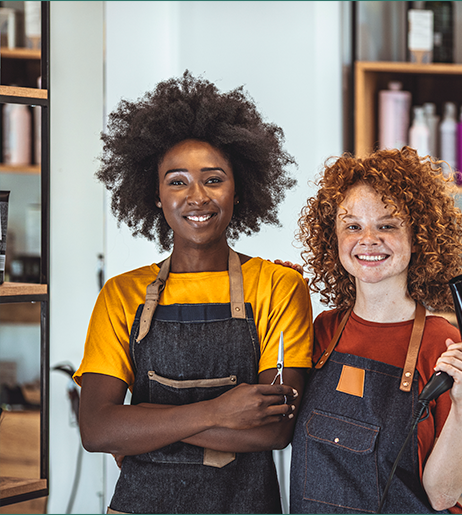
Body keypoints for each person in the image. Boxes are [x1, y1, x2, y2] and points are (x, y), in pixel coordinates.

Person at [73, 72, 313, 514]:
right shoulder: (121, 294)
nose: (196, 196)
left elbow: (274, 431)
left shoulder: (280, 286)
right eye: (177, 180)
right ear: (157, 195)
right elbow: (96, 430)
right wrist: (219, 412)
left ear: (239, 190)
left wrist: (143, 421)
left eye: (214, 179)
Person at [289, 147, 462, 514]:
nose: (368, 239)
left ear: (420, 238)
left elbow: (443, 497)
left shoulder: (445, 346)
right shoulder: (323, 331)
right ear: (333, 238)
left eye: (387, 225)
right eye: (352, 226)